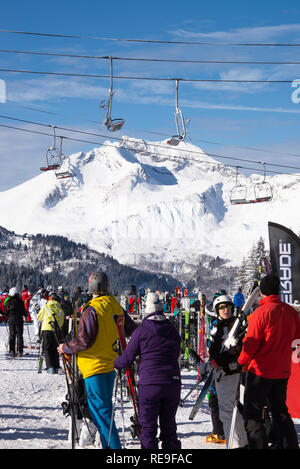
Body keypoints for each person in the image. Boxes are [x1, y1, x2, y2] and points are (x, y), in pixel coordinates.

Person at [57, 271, 126, 449]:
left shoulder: (91, 309)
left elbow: (84, 341)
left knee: (102, 415)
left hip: (93, 367)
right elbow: (128, 328)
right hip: (109, 365)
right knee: (104, 412)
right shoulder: (114, 305)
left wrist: (65, 347)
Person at [237, 274, 300, 449]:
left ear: (263, 292)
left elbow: (250, 344)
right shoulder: (290, 312)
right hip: (282, 372)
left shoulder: (260, 313)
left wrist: (241, 361)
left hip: (260, 372)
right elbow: (297, 337)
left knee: (253, 415)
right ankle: (291, 446)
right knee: (280, 412)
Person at [114, 292, 182, 450]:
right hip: (172, 382)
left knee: (148, 429)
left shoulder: (141, 331)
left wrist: (115, 363)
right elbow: (176, 352)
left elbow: (127, 358)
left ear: (146, 311)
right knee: (169, 428)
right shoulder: (172, 330)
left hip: (150, 383)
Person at [208, 294, 248, 449]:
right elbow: (214, 350)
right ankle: (241, 442)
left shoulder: (236, 326)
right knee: (229, 411)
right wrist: (211, 363)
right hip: (220, 373)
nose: (226, 310)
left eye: (228, 307)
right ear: (217, 310)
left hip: (230, 372)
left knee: (228, 411)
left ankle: (235, 444)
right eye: (222, 308)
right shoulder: (217, 327)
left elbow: (238, 349)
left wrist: (220, 360)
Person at [37, 291, 64, 374]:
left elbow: (39, 317)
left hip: (46, 328)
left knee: (47, 348)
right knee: (55, 348)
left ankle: (50, 367)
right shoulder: (60, 309)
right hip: (56, 329)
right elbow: (61, 321)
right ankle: (56, 366)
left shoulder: (46, 306)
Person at [4, 287, 27, 357]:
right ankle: (20, 351)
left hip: (11, 321)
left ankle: (12, 351)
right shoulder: (20, 302)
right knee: (19, 335)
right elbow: (24, 312)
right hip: (19, 320)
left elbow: (6, 312)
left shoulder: (8, 302)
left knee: (12, 335)